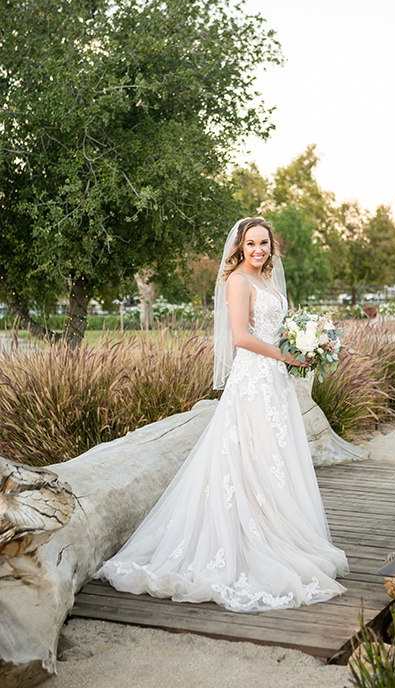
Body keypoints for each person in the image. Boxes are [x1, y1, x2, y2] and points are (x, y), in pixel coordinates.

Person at [95, 217, 348, 611]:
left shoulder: (268, 282)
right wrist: (288, 353)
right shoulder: (238, 281)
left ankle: (276, 533)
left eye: (264, 243)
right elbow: (243, 338)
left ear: (271, 247)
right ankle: (243, 543)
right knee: (247, 458)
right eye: (251, 244)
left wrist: (308, 341)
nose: (258, 250)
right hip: (252, 381)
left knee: (273, 459)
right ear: (240, 247)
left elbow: (279, 327)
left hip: (276, 382)